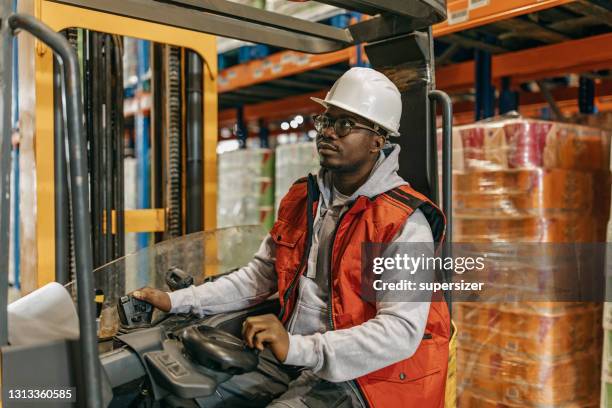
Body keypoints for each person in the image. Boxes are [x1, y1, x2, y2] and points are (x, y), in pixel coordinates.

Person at [135, 67, 450, 408]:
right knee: (181, 393)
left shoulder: (406, 222)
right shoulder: (305, 197)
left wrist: (297, 348)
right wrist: (179, 301)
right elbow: (259, 276)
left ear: (378, 140)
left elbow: (399, 332)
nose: (328, 132)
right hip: (296, 352)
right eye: (325, 121)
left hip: (368, 376)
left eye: (344, 124)